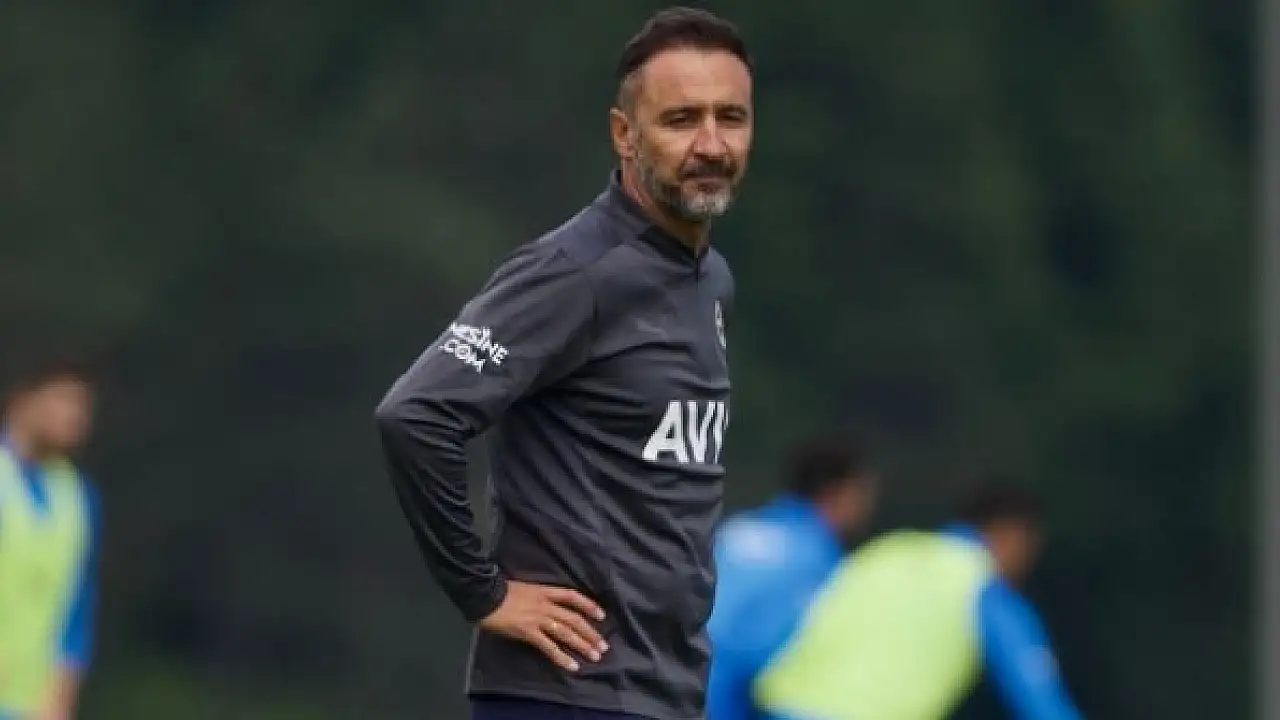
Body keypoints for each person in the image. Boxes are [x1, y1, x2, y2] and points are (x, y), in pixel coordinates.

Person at [374, 7, 754, 719]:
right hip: (567, 692)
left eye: (729, 117)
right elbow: (416, 415)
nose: (711, 144)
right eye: (680, 120)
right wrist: (482, 592)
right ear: (624, 134)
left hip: (663, 691)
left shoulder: (711, 280)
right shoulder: (577, 273)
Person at [753, 483, 1084, 720]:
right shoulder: (983, 589)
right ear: (1010, 536)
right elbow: (1039, 700)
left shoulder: (890, 550)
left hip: (776, 706)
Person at [706, 437, 877, 720]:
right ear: (839, 493)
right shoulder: (819, 558)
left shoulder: (734, 530)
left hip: (663, 684)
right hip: (723, 703)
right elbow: (776, 658)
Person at [0, 360, 100, 720]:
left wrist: (61, 694)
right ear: (22, 399)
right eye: (63, 400)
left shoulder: (75, 495)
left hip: (31, 703)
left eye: (82, 406)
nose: (74, 417)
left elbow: (77, 603)